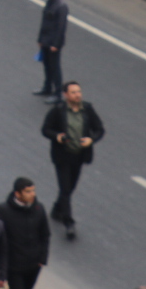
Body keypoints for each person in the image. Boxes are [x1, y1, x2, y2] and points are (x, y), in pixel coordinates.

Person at [40, 81, 104, 239]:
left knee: (69, 187)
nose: (78, 95)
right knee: (66, 188)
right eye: (74, 92)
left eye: (79, 92)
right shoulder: (58, 111)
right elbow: (46, 129)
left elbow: (100, 129)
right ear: (65, 95)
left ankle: (57, 209)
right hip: (62, 156)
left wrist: (91, 139)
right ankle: (69, 222)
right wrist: (58, 136)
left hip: (79, 156)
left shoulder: (87, 109)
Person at [0, 176, 51, 289]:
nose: (33, 194)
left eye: (33, 191)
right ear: (17, 194)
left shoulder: (38, 208)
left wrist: (42, 259)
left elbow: (45, 234)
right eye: (28, 191)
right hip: (14, 267)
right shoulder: (3, 210)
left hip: (33, 265)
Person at [35, 0, 69, 98]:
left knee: (55, 68)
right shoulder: (49, 3)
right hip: (45, 40)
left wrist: (56, 44)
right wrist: (40, 39)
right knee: (47, 66)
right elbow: (44, 23)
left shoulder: (61, 6)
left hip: (53, 43)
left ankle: (58, 93)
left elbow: (61, 28)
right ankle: (47, 87)